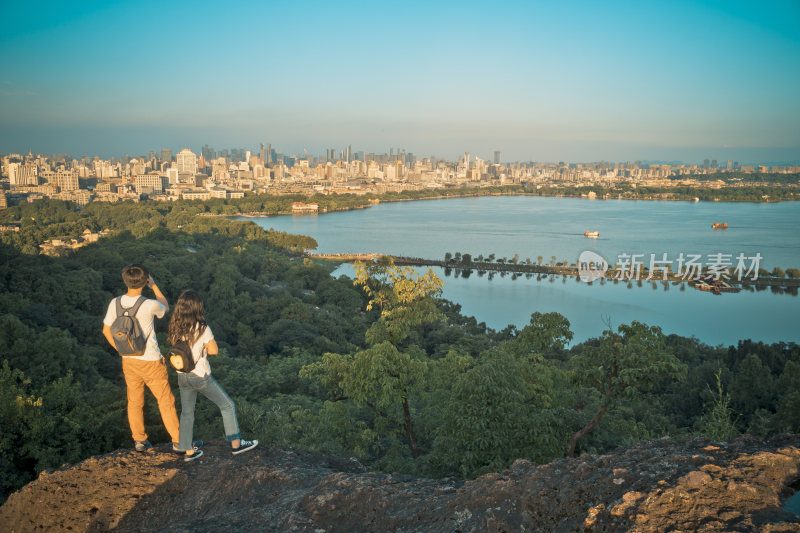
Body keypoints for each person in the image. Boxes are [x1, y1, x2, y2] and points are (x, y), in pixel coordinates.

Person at [168, 290, 258, 461]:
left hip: (182, 376)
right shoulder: (202, 328)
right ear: (197, 308)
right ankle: (236, 445)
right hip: (200, 377)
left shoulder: (175, 327)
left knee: (187, 413)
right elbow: (214, 351)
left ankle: (188, 451)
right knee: (228, 406)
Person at [102, 264, 181, 453]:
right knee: (165, 401)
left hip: (129, 360)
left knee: (135, 401)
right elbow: (165, 307)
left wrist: (122, 351)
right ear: (145, 281)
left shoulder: (115, 303)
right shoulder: (149, 304)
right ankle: (179, 441)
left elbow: (106, 331)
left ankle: (139, 440)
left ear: (125, 280)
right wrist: (154, 287)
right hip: (151, 361)